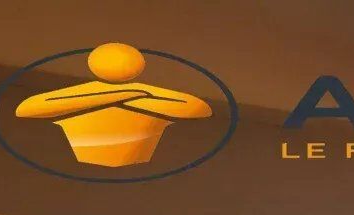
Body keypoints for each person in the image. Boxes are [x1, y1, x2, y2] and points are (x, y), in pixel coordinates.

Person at [15, 42, 211, 168]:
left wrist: (135, 94)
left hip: (138, 155)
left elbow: (199, 109)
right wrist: (125, 94)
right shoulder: (94, 90)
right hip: (86, 150)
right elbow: (27, 108)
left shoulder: (145, 90)